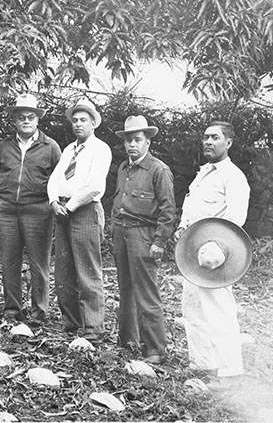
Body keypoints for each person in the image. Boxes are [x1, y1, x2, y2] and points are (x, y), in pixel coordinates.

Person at [174, 121, 250, 380]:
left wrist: (216, 247)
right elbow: (191, 207)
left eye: (215, 137)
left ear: (228, 142)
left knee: (219, 311)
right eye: (205, 137)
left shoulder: (233, 176)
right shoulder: (203, 173)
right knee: (192, 308)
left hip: (216, 252)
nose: (208, 141)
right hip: (192, 248)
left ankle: (231, 373)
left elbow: (235, 218)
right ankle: (203, 364)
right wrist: (182, 227)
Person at [0, 94, 61, 325]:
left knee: (39, 262)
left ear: (38, 120)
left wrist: (51, 203)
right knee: (9, 260)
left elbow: (60, 178)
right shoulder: (5, 146)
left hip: (38, 210)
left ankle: (39, 311)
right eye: (21, 117)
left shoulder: (50, 146)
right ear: (15, 120)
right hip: (7, 211)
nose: (26, 121)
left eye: (31, 117)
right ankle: (12, 309)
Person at [111, 115, 175, 363]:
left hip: (143, 234)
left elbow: (168, 210)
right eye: (128, 140)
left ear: (148, 141)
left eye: (137, 139)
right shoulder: (123, 168)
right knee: (125, 288)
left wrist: (159, 241)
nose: (132, 145)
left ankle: (155, 349)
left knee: (146, 291)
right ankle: (127, 341)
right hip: (122, 232)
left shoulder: (158, 170)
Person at [48, 100, 111, 341]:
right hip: (62, 211)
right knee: (64, 272)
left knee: (87, 270)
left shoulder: (100, 149)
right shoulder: (69, 150)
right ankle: (72, 323)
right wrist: (54, 201)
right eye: (74, 120)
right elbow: (55, 178)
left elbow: (94, 186)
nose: (78, 124)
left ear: (93, 123)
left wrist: (71, 205)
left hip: (84, 211)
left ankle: (94, 327)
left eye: (83, 120)